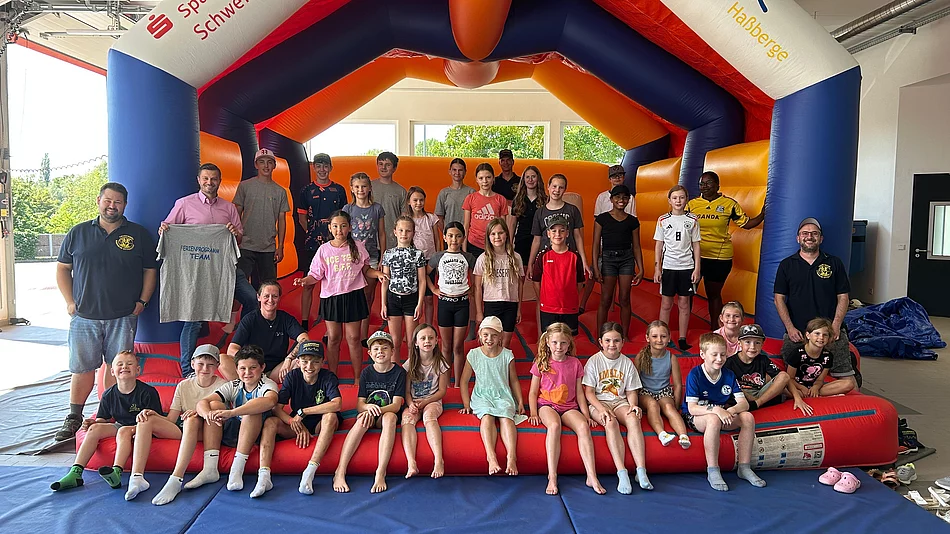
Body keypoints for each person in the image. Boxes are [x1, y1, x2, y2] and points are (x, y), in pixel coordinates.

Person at [55, 182, 157, 441]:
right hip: (84, 317)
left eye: (118, 202)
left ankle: (109, 415)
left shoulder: (138, 234)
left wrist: (143, 301)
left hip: (123, 316)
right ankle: (74, 417)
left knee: (117, 367)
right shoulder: (78, 232)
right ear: (99, 200)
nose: (112, 206)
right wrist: (69, 301)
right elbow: (63, 268)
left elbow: (150, 271)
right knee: (82, 368)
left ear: (125, 205)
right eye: (108, 200)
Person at [160, 163, 251, 375]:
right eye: (206, 178)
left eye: (214, 179)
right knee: (193, 319)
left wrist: (234, 233)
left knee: (252, 300)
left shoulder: (228, 208)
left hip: (225, 268)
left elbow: (239, 238)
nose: (210, 182)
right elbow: (168, 230)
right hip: (197, 272)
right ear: (199, 180)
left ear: (219, 181)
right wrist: (164, 229)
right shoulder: (184, 204)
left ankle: (240, 348)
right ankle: (186, 369)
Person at [50, 350, 162, 491]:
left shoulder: (148, 392)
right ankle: (76, 473)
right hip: (120, 425)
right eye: (120, 364)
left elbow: (156, 420)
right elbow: (102, 419)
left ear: (137, 370)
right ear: (112, 371)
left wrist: (138, 427)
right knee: (94, 429)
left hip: (141, 427)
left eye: (129, 364)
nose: (124, 367)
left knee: (123, 431)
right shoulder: (108, 394)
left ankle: (116, 471)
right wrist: (93, 423)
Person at [124, 345, 224, 501]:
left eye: (210, 365)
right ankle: (137, 477)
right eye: (201, 364)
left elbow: (222, 414)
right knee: (146, 419)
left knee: (191, 419)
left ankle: (176, 479)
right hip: (183, 428)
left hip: (206, 430)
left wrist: (198, 413)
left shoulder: (222, 385)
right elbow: (171, 419)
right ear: (192, 364)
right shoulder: (183, 385)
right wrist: (154, 414)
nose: (205, 369)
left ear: (217, 366)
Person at [296, 210, 387, 375]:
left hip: (353, 296)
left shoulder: (357, 246)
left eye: (343, 226)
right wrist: (304, 280)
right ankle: (332, 375)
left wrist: (378, 274)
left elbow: (366, 269)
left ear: (350, 227)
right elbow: (315, 275)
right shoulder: (324, 250)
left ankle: (358, 377)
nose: (339, 230)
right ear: (330, 228)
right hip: (331, 298)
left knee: (354, 338)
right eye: (335, 226)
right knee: (333, 338)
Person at [774, 217, 856, 394]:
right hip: (798, 332)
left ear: (821, 238)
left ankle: (824, 396)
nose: (809, 237)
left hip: (831, 332)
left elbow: (843, 297)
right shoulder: (787, 265)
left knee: (849, 381)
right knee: (787, 380)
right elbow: (779, 298)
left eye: (814, 233)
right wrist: (790, 328)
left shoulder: (834, 263)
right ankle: (807, 395)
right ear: (798, 238)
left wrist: (835, 326)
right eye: (805, 233)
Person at [252, 340, 342, 497]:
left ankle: (310, 470)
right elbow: (277, 408)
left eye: (315, 362)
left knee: (330, 416)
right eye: (305, 361)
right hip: (298, 422)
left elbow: (337, 404)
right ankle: (264, 475)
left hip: (319, 421)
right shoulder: (292, 376)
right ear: (298, 362)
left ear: (322, 363)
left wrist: (304, 412)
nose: (309, 366)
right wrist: (291, 421)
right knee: (270, 422)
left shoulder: (328, 377)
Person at [529, 322, 605, 496]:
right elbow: (533, 392)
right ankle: (552, 476)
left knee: (583, 427)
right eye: (555, 342)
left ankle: (591, 475)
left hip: (569, 406)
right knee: (554, 425)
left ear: (569, 343)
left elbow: (579, 393)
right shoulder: (541, 362)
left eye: (563, 343)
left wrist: (586, 415)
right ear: (547, 342)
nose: (559, 347)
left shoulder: (575, 363)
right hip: (546, 405)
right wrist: (533, 412)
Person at [683, 333, 765, 492]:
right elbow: (692, 408)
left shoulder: (728, 374)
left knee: (747, 417)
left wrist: (731, 410)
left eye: (723, 354)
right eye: (714, 355)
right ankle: (713, 469)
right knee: (713, 419)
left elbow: (744, 404)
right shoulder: (695, 374)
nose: (719, 359)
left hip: (721, 413)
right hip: (697, 416)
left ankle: (744, 467)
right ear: (702, 355)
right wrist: (717, 410)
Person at [195, 345, 279, 493]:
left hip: (256, 432)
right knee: (214, 405)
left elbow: (271, 401)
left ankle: (237, 469)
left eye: (252, 368)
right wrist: (207, 414)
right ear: (237, 369)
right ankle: (210, 467)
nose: (247, 373)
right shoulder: (234, 385)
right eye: (242, 368)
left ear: (262, 367)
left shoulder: (267, 384)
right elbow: (202, 402)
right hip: (234, 432)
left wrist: (232, 412)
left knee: (252, 410)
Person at [333, 331, 407, 494]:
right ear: (370, 353)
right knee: (362, 419)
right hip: (370, 413)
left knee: (390, 418)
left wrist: (377, 410)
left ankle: (380, 472)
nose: (380, 352)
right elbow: (360, 404)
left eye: (384, 348)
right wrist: (368, 408)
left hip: (386, 412)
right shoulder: (366, 372)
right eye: (376, 349)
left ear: (392, 351)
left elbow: (396, 405)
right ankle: (340, 470)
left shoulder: (399, 372)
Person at [687, 171, 763, 326]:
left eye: (709, 183)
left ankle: (716, 329)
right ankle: (685, 329)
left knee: (713, 294)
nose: (705, 186)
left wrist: (763, 214)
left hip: (719, 258)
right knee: (687, 293)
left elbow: (746, 224)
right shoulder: (691, 205)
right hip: (694, 257)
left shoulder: (729, 204)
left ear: (717, 185)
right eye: (701, 183)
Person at [583, 322, 652, 494]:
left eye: (616, 341)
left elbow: (631, 391)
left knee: (633, 419)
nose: (612, 344)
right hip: (599, 402)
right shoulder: (594, 361)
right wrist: (601, 409)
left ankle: (641, 470)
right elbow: (589, 392)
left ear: (622, 342)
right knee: (610, 422)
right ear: (601, 342)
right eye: (607, 340)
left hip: (620, 401)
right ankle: (622, 472)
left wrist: (633, 405)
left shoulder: (627, 363)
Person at [459, 316, 525, 476]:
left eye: (494, 335)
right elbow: (464, 381)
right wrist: (466, 404)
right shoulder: (474, 354)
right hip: (482, 395)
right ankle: (491, 456)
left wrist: (520, 401)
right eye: (486, 335)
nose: (489, 339)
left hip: (502, 394)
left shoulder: (507, 355)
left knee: (506, 418)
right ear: (480, 335)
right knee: (487, 416)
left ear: (500, 336)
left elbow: (514, 380)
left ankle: (511, 456)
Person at [297, 153, 348, 330]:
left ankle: (330, 320)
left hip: (335, 244)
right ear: (314, 167)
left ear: (331, 168)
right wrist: (313, 232)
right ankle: (304, 321)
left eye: (325, 166)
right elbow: (302, 218)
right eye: (318, 166)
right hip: (312, 244)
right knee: (308, 283)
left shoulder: (339, 190)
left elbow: (343, 217)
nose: (322, 169)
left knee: (333, 282)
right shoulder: (306, 191)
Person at [226, 281, 309, 381]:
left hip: (276, 370)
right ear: (259, 297)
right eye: (266, 296)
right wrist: (250, 363)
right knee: (222, 359)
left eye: (274, 296)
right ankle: (243, 386)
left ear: (279, 298)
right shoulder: (249, 319)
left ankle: (262, 383)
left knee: (302, 360)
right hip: (252, 369)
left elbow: (305, 339)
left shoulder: (286, 319)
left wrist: (289, 358)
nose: (270, 300)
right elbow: (232, 349)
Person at [428, 222, 477, 387]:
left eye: (458, 236)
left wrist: (472, 289)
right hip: (444, 304)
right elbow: (425, 273)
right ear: (444, 237)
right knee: (446, 346)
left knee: (458, 347)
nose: (454, 239)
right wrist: (433, 289)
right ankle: (446, 383)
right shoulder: (438, 256)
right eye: (450, 236)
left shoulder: (468, 257)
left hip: (462, 304)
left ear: (463, 238)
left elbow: (477, 275)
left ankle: (458, 383)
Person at [233, 148, 290, 288]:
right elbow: (236, 213)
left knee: (268, 287)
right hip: (245, 245)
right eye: (262, 162)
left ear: (274, 165)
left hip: (268, 247)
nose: (266, 166)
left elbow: (282, 220)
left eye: (269, 162)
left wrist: (280, 246)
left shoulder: (280, 191)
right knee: (240, 286)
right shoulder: (245, 186)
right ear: (256, 165)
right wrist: (235, 240)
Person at [592, 184, 643, 339]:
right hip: (608, 259)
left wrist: (641, 268)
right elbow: (595, 245)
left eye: (625, 197)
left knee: (625, 297)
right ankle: (600, 335)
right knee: (606, 298)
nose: (621, 200)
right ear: (611, 199)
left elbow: (636, 246)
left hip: (626, 259)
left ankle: (625, 335)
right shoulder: (602, 219)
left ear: (628, 200)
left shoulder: (633, 221)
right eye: (618, 197)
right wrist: (596, 267)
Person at [653, 185, 701, 351]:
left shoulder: (692, 220)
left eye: (681, 197)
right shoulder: (663, 220)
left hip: (686, 267)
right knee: (666, 304)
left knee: (684, 303)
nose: (678, 201)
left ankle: (682, 338)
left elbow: (696, 245)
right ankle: (662, 337)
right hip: (669, 267)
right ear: (669, 200)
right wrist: (657, 268)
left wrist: (697, 268)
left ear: (686, 199)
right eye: (675, 198)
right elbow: (659, 245)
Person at [401, 323, 450, 479]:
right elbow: (406, 391)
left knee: (429, 417)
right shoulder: (409, 364)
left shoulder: (441, 364)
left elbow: (442, 391)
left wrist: (426, 401)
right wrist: (410, 404)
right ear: (416, 343)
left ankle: (438, 460)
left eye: (430, 338)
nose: (427, 341)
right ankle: (411, 463)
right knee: (407, 420)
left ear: (436, 341)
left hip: (433, 400)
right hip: (414, 401)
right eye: (423, 338)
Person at [344, 172, 386, 340]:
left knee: (367, 296)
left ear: (369, 188)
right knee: (351, 295)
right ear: (352, 189)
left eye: (363, 186)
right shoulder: (348, 209)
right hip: (352, 257)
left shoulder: (377, 208)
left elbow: (381, 233)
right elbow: (344, 233)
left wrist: (383, 256)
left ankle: (363, 335)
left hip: (372, 256)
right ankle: (350, 332)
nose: (360, 190)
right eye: (357, 186)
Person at [722, 324, 801, 414]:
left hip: (760, 393)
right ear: (739, 343)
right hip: (741, 395)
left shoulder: (763, 359)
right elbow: (728, 386)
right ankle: (765, 400)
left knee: (784, 376)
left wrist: (797, 398)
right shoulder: (730, 362)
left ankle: (757, 404)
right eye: (747, 342)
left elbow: (784, 378)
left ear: (762, 344)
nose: (752, 347)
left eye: (757, 343)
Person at [635, 320, 691, 448]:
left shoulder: (671, 358)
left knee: (669, 407)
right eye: (655, 336)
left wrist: (676, 405)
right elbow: (634, 382)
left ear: (669, 338)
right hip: (645, 391)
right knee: (652, 405)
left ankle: (683, 436)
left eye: (663, 336)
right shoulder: (641, 357)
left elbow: (677, 384)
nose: (659, 340)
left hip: (663, 391)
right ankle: (662, 434)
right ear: (647, 338)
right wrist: (635, 401)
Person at [381, 215, 427, 363]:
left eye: (408, 231)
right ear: (395, 231)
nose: (404, 234)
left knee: (412, 341)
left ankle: (411, 370)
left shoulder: (418, 254)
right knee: (395, 341)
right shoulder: (388, 254)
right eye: (401, 230)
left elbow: (422, 280)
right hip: (393, 299)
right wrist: (383, 304)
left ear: (413, 233)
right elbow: (385, 281)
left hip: (411, 299)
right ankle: (395, 370)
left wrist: (420, 303)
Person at [527, 174, 590, 280]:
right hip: (547, 259)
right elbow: (536, 240)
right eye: (554, 186)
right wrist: (530, 263)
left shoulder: (572, 210)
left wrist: (583, 261)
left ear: (565, 189)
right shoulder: (540, 212)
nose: (557, 190)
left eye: (561, 187)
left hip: (568, 258)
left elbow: (578, 237)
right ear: (548, 187)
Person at [473, 218, 524, 349]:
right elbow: (477, 287)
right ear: (488, 237)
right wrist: (479, 311)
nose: (497, 237)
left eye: (500, 233)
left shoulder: (516, 257)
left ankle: (504, 363)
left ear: (506, 234)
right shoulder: (483, 258)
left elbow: (519, 285)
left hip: (510, 303)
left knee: (505, 343)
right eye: (493, 234)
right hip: (491, 303)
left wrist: (518, 309)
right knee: (491, 343)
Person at [532, 215, 585, 335]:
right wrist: (544, 298)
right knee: (549, 339)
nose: (558, 234)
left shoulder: (575, 257)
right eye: (554, 231)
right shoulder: (543, 256)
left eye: (562, 230)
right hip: (548, 308)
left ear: (567, 233)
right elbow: (536, 281)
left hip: (569, 308)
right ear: (548, 234)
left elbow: (580, 282)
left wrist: (571, 297)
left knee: (569, 339)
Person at [407, 185, 442, 324]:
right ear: (409, 202)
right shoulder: (407, 219)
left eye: (421, 200)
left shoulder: (431, 218)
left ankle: (428, 326)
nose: (418, 203)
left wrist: (438, 260)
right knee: (414, 296)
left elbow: (437, 239)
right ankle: (413, 327)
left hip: (429, 261)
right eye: (415, 200)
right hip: (412, 262)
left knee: (428, 297)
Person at [463, 162, 509, 259]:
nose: (485, 181)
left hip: (494, 244)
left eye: (488, 177)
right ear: (477, 180)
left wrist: (505, 247)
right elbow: (466, 225)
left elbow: (503, 227)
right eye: (481, 178)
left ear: (493, 178)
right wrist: (464, 249)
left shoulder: (501, 199)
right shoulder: (470, 198)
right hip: (474, 244)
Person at [785, 317, 838, 398]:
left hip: (815, 386)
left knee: (848, 384)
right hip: (797, 387)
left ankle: (813, 393)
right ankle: (810, 394)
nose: (821, 337)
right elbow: (790, 378)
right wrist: (801, 388)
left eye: (825, 335)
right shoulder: (797, 353)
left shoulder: (828, 356)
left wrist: (816, 387)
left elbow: (820, 379)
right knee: (785, 389)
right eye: (817, 334)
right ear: (808, 335)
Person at [507, 165, 546, 268]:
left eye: (533, 176)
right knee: (522, 271)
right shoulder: (518, 200)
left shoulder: (545, 200)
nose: (530, 180)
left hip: (540, 240)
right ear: (523, 180)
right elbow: (513, 224)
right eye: (527, 177)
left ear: (538, 178)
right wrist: (509, 244)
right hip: (522, 240)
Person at [372, 151, 406, 240]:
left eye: (388, 165)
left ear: (394, 168)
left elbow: (404, 218)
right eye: (381, 164)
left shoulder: (401, 191)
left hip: (393, 239)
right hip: (371, 239)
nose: (383, 167)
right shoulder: (368, 187)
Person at [435, 158, 475, 228]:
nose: (457, 173)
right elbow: (439, 217)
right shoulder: (443, 193)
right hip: (449, 233)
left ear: (465, 172)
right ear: (450, 171)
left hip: (468, 234)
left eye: (460, 170)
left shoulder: (472, 192)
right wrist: (446, 232)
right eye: (454, 170)